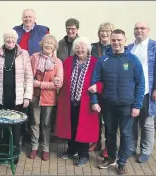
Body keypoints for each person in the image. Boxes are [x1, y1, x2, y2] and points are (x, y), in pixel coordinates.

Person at [91, 29, 145, 175]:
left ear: (125, 40)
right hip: (108, 104)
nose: (116, 42)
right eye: (113, 40)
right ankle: (111, 157)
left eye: (119, 40)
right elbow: (94, 82)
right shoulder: (103, 60)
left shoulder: (133, 60)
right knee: (109, 132)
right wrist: (94, 100)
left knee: (126, 134)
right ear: (110, 40)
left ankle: (122, 162)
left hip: (127, 105)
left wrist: (137, 105)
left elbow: (141, 83)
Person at [0, 29, 33, 163]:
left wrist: (27, 96)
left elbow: (29, 77)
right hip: (2, 97)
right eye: (7, 38)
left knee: (16, 128)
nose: (10, 41)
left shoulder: (23, 54)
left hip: (18, 98)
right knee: (3, 127)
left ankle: (14, 155)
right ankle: (3, 154)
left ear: (16, 40)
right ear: (4, 39)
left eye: (12, 38)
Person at [55, 36, 100, 167]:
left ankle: (83, 155)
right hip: (69, 101)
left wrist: (98, 87)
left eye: (82, 47)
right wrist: (56, 80)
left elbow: (101, 80)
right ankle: (71, 150)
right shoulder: (68, 61)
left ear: (88, 49)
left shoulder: (94, 63)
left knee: (83, 130)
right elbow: (61, 77)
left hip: (86, 103)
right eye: (77, 47)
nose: (80, 49)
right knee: (71, 127)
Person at [28, 34, 63, 161]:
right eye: (46, 42)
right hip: (34, 96)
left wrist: (40, 84)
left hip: (49, 97)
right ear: (42, 44)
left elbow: (58, 83)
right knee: (34, 122)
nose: (48, 45)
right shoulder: (34, 57)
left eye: (51, 43)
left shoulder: (57, 62)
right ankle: (34, 147)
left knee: (46, 124)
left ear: (54, 47)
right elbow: (28, 75)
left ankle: (46, 148)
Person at [129, 22, 156, 163]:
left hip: (148, 92)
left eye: (142, 28)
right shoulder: (129, 47)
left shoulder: (154, 47)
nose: (139, 30)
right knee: (132, 122)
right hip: (131, 93)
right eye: (136, 28)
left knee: (147, 123)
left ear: (148, 30)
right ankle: (131, 148)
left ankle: (145, 151)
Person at [89, 22, 115, 156]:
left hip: (110, 87)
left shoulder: (115, 48)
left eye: (107, 31)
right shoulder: (93, 47)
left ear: (112, 34)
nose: (104, 34)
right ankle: (96, 140)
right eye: (102, 31)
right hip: (95, 87)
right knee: (95, 117)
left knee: (109, 119)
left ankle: (108, 145)